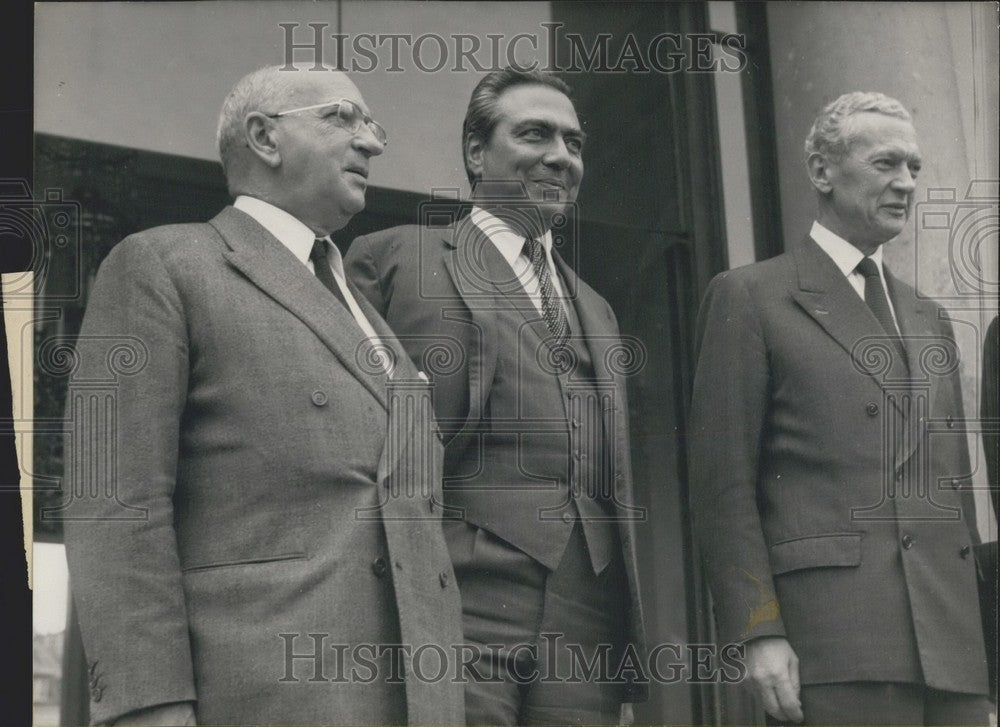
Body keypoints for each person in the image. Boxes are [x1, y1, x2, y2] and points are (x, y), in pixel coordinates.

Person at [61, 65, 464, 726]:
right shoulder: (165, 265)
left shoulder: (367, 315)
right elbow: (115, 503)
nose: (372, 143)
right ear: (264, 138)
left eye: (375, 125)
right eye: (343, 117)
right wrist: (149, 708)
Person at [346, 68, 647, 725]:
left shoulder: (595, 306)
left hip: (586, 612)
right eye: (535, 133)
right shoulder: (394, 260)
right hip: (453, 593)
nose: (559, 155)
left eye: (573, 142)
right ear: (477, 153)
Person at [688, 91, 990, 725]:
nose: (906, 183)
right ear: (823, 171)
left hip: (952, 648)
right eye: (885, 164)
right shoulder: (751, 296)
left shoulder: (929, 318)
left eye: (914, 166)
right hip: (834, 639)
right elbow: (723, 486)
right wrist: (758, 631)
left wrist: (984, 656)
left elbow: (955, 497)